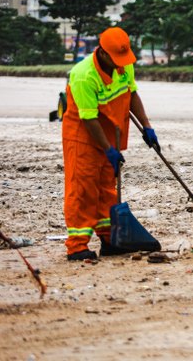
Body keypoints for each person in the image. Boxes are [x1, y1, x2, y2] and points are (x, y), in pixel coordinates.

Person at [61, 27, 159, 261]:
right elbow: (88, 118)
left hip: (110, 134)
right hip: (83, 136)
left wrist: (147, 126)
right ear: (103, 53)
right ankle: (77, 246)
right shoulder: (84, 75)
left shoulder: (124, 65)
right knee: (83, 189)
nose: (121, 65)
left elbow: (132, 94)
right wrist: (108, 150)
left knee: (106, 187)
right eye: (116, 60)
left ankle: (110, 239)